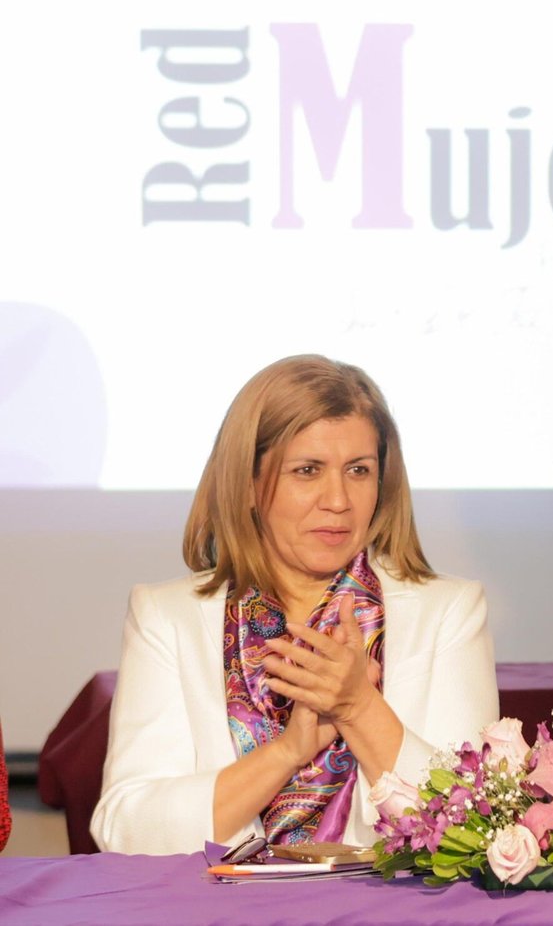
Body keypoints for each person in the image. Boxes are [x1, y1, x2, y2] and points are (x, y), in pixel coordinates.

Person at [92, 356, 498, 854]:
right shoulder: (166, 617)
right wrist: (287, 752)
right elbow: (125, 828)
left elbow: (479, 825)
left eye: (359, 470)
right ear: (247, 485)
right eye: (307, 471)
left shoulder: (448, 612)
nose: (338, 500)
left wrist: (358, 708)